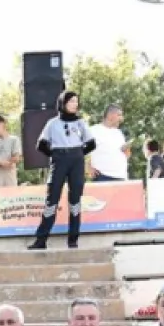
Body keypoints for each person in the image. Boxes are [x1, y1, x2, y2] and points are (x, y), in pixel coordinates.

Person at [27, 90, 95, 250]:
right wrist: (56, 156)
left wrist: (78, 154)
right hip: (59, 160)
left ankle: (73, 240)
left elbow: (91, 143)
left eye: (76, 101)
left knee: (75, 201)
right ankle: (41, 240)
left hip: (76, 161)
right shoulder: (53, 123)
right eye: (71, 101)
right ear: (63, 103)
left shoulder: (81, 123)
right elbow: (41, 144)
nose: (75, 104)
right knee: (51, 200)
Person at [87, 105, 130, 181]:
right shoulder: (93, 131)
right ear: (110, 115)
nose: (121, 119)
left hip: (121, 177)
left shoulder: (119, 133)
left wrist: (127, 150)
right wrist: (88, 167)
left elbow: (127, 155)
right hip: (103, 177)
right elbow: (79, 151)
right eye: (119, 115)